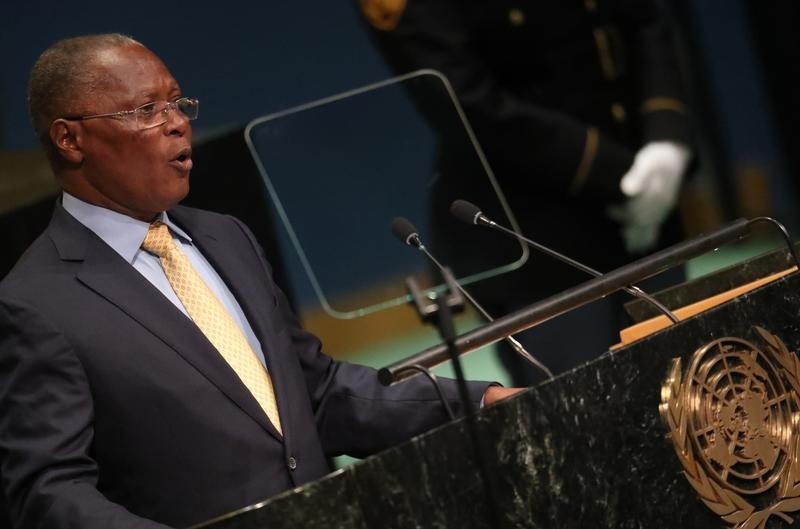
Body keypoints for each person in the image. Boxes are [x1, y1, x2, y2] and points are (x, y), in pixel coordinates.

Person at [0, 34, 518, 529]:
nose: (177, 123)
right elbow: (50, 493)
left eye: (177, 103)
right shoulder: (36, 304)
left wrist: (477, 401)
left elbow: (317, 394)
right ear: (70, 139)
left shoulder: (225, 237)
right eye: (146, 111)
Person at [356, 0, 694, 384]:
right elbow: (463, 100)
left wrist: (668, 135)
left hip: (651, 199)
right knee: (588, 423)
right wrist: (623, 177)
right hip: (534, 239)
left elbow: (647, 20)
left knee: (697, 395)